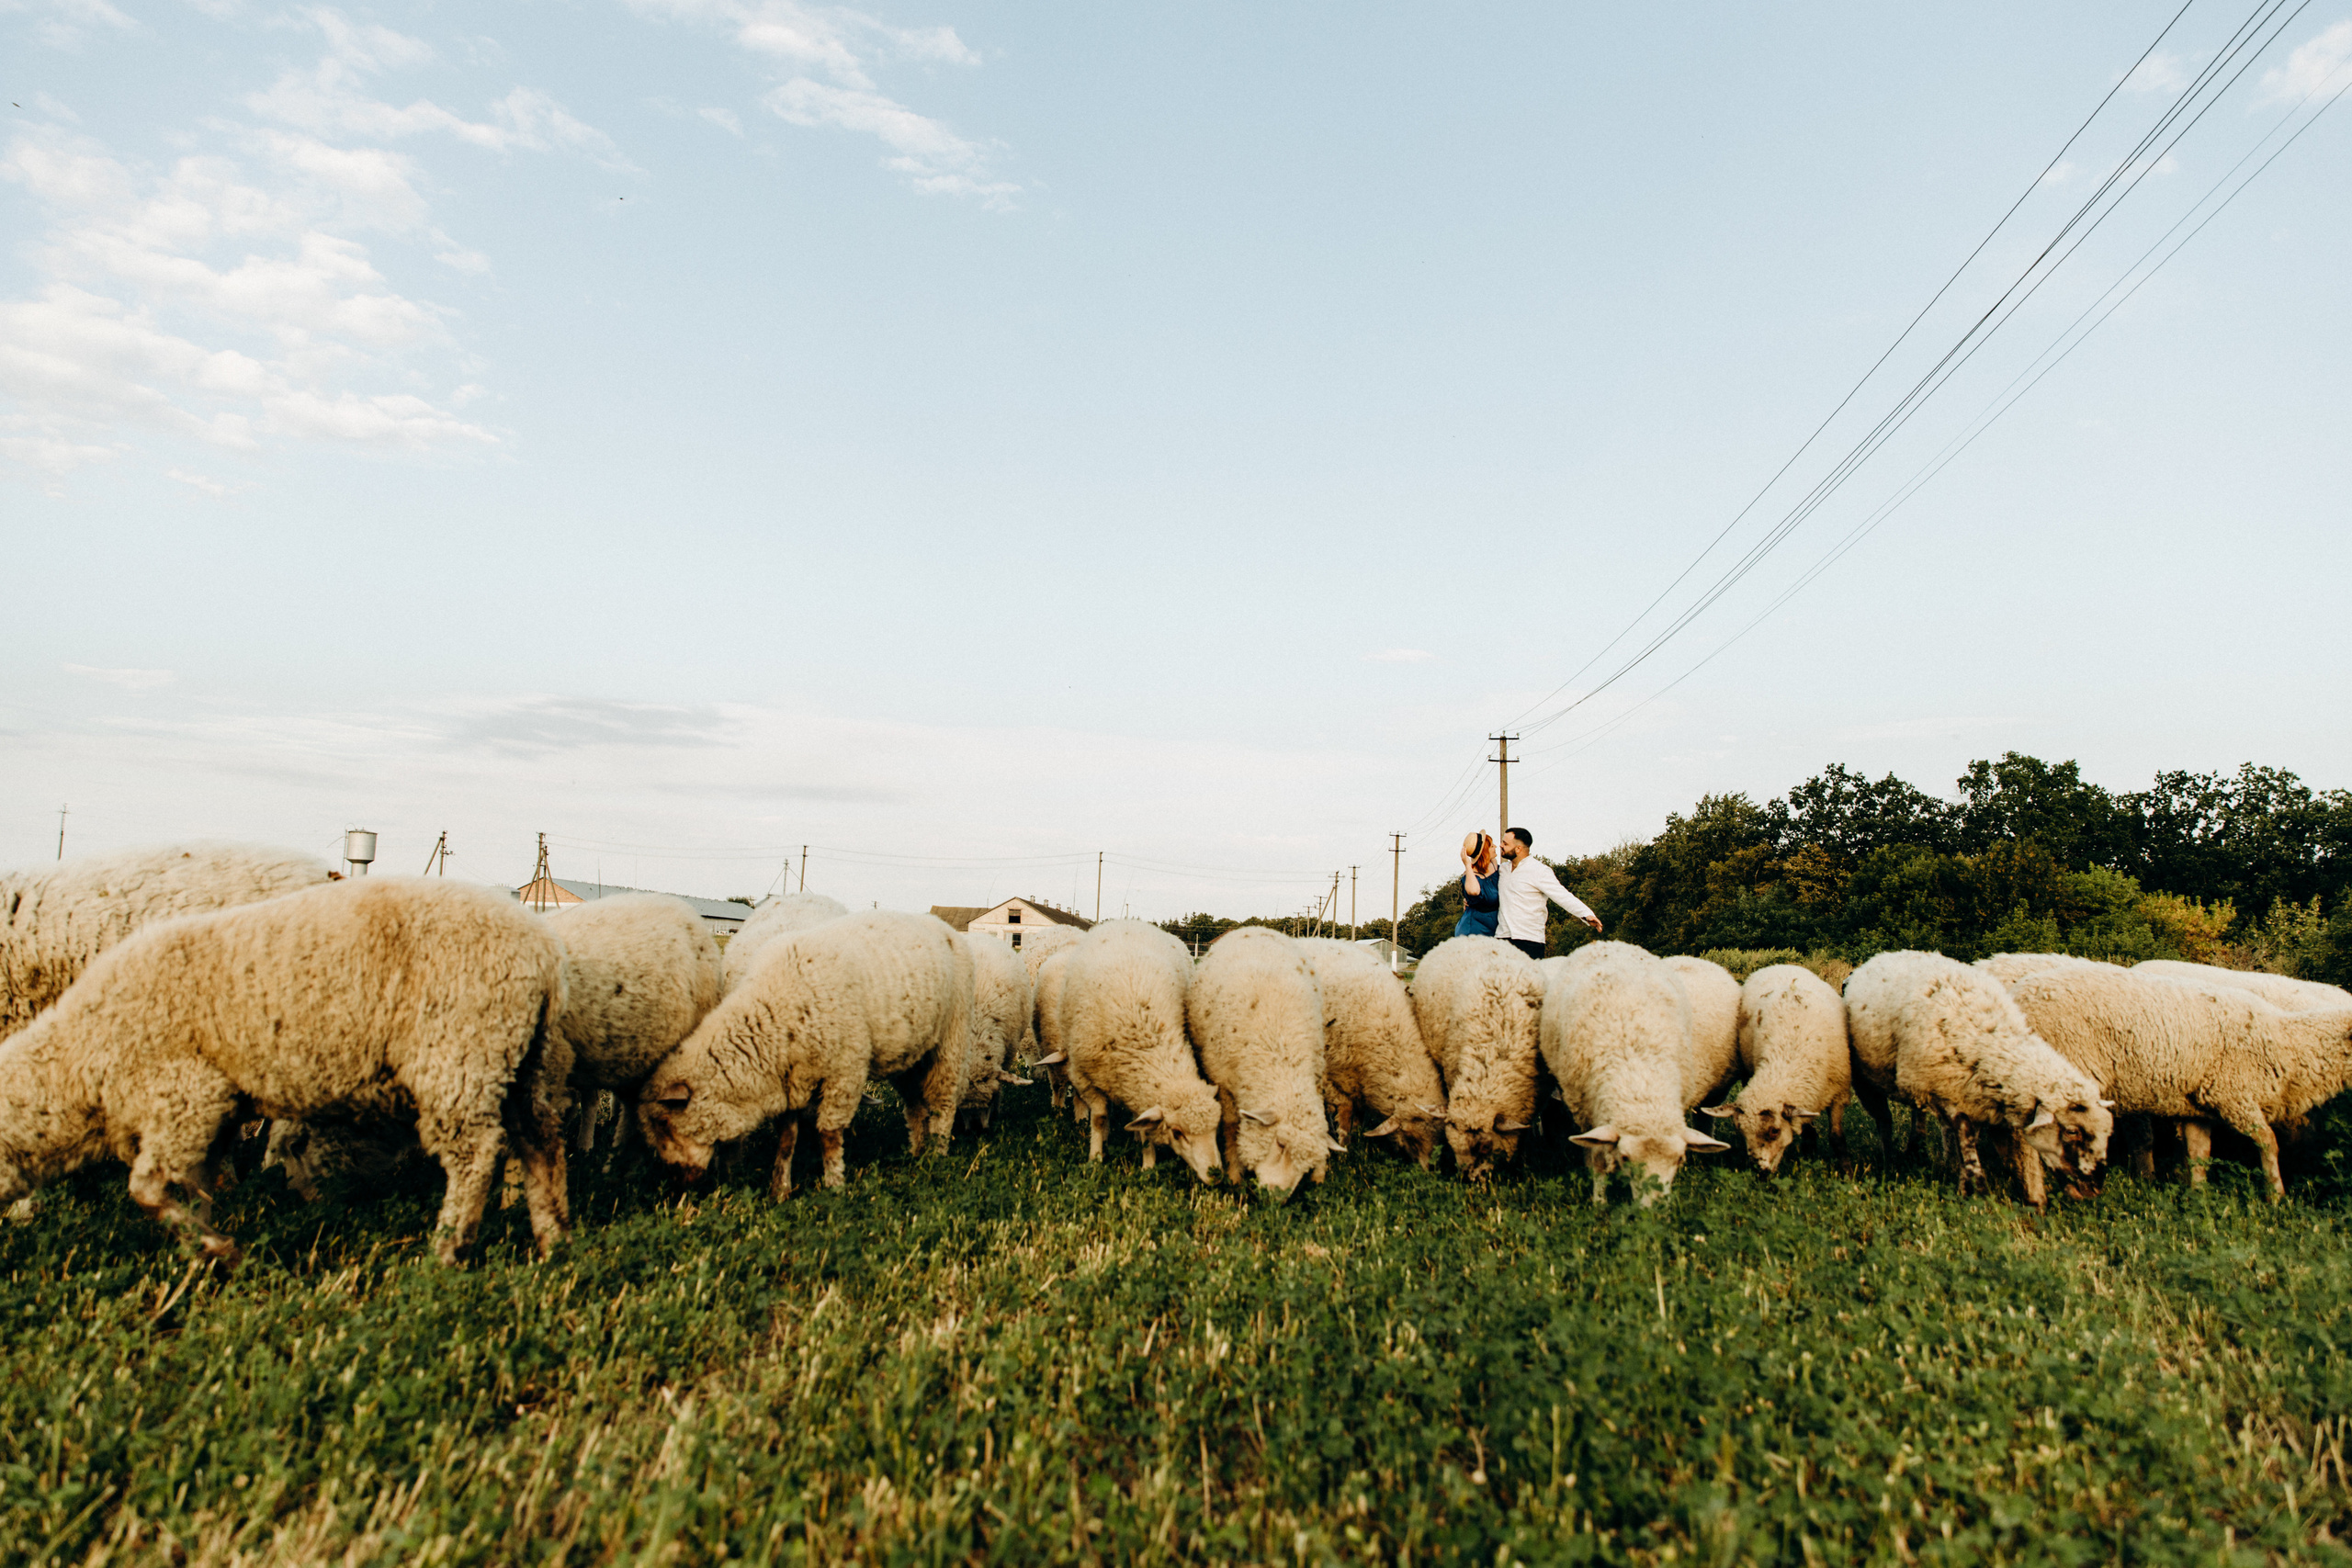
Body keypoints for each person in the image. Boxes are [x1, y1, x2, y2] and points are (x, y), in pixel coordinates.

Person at [1495, 827, 1601, 961]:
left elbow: (1562, 895)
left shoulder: (1539, 871)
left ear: (1518, 849)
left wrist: (1586, 914)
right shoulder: (1502, 870)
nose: (1501, 845)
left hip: (1529, 941)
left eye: (1505, 843)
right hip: (1502, 939)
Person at [1453, 831, 1500, 937]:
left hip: (1493, 929)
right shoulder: (1470, 876)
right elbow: (1474, 891)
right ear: (1485, 852)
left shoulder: (1494, 865)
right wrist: (1467, 865)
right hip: (1474, 931)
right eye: (1492, 846)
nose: (1495, 847)